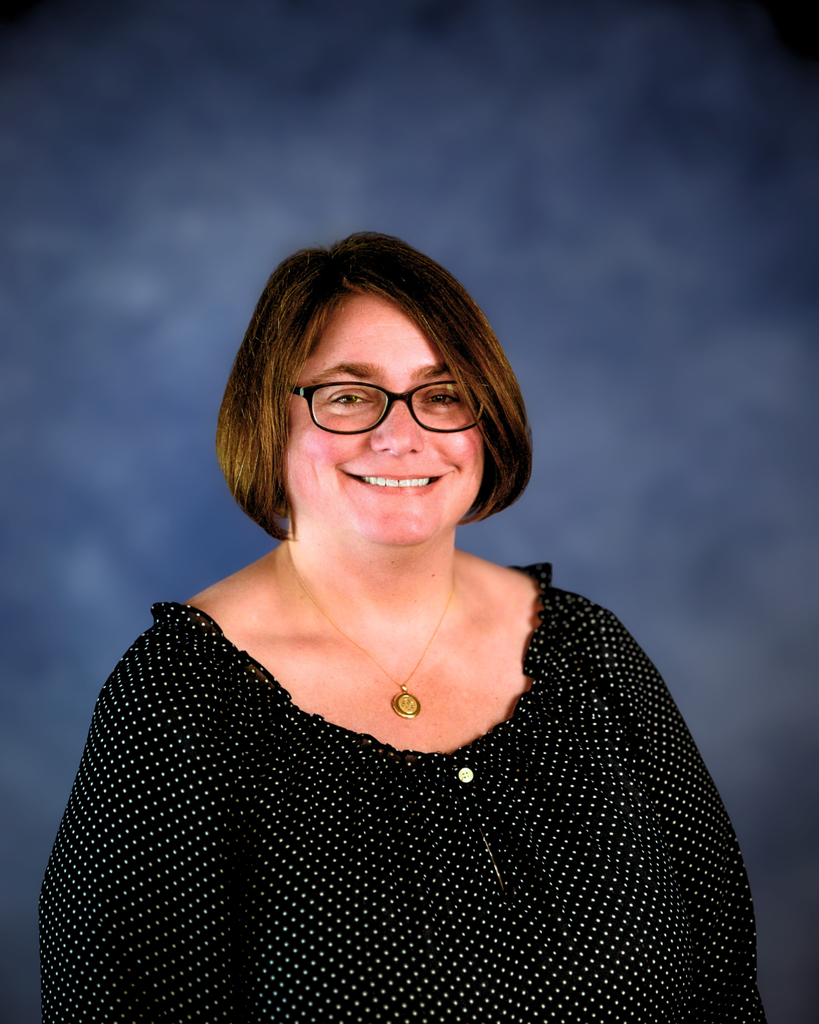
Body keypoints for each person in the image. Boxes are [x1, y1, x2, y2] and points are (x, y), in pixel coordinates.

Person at [40, 232, 766, 1022]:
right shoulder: (180, 701)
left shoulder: (588, 652)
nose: (400, 433)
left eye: (443, 392)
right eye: (348, 395)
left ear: (484, 420)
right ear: (268, 416)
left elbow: (724, 989)